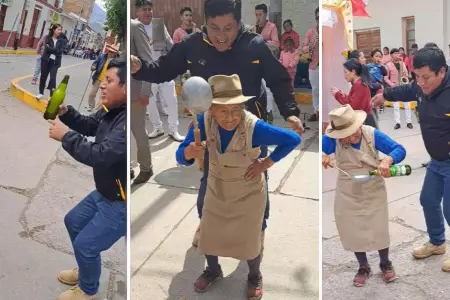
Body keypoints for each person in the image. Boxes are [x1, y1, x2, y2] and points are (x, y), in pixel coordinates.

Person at [131, 0, 303, 256]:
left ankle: (259, 227)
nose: (222, 36)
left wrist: (290, 112)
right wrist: (140, 68)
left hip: (249, 125)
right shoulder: (192, 45)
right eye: (214, 28)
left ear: (238, 24)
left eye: (228, 28)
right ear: (204, 24)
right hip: (211, 126)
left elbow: (278, 80)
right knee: (211, 179)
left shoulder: (254, 45)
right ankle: (207, 223)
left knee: (256, 179)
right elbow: (165, 68)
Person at [176, 74, 301, 298]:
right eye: (223, 110)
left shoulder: (255, 127)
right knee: (209, 235)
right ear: (211, 108)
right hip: (216, 189)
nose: (231, 117)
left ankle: (254, 275)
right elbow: (180, 155)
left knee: (249, 239)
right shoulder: (204, 122)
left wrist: (266, 163)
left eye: (236, 109)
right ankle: (213, 270)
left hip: (248, 193)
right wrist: (188, 152)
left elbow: (292, 139)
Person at [47, 58, 127, 300]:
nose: (102, 85)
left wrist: (66, 136)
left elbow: (100, 156)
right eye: (103, 80)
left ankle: (88, 289)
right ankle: (86, 271)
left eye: (109, 81)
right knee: (73, 221)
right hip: (105, 192)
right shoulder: (110, 110)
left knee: (86, 245)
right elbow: (90, 124)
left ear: (125, 88)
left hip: (121, 201)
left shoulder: (125, 121)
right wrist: (66, 113)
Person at [372, 46, 450, 272]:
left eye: (426, 78)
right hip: (437, 160)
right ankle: (437, 243)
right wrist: (383, 96)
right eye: (418, 77)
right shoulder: (420, 87)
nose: (421, 83)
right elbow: (406, 90)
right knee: (428, 200)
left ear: (442, 72)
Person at [322, 104, 406, 287]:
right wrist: (323, 155)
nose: (352, 137)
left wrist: (387, 159)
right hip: (347, 189)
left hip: (372, 186)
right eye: (346, 135)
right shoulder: (332, 138)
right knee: (352, 230)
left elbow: (399, 149)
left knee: (379, 228)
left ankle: (385, 263)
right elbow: (322, 149)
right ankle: (363, 266)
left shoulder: (371, 134)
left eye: (354, 132)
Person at [136, 0, 184, 142]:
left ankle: (174, 130)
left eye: (150, 9)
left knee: (172, 99)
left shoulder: (158, 25)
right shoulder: (134, 27)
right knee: (149, 102)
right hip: (146, 73)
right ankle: (157, 128)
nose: (148, 12)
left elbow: (170, 45)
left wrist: (177, 60)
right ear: (137, 11)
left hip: (163, 69)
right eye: (144, 9)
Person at [130, 17, 154, 184]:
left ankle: (146, 168)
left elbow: (147, 61)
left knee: (138, 131)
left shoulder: (135, 27)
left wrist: (145, 91)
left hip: (136, 92)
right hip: (123, 89)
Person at [331, 59, 378, 128]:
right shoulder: (359, 83)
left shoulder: (359, 85)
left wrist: (338, 95)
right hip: (363, 118)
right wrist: (342, 95)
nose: (344, 75)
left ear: (353, 71)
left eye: (345, 72)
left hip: (364, 120)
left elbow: (353, 106)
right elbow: (354, 101)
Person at [253, 3, 280, 123]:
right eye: (256, 14)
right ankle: (258, 111)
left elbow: (276, 44)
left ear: (265, 14)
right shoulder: (254, 28)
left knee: (268, 88)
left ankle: (269, 112)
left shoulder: (272, 27)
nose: (258, 17)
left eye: (260, 14)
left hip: (268, 62)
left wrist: (262, 41)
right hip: (255, 63)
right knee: (256, 87)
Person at [384, 48, 413, 129]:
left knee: (407, 105)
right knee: (396, 106)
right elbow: (386, 78)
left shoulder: (402, 63)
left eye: (398, 53)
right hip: (395, 86)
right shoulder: (388, 65)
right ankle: (398, 123)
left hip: (404, 86)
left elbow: (406, 73)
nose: (398, 54)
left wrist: (405, 74)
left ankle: (409, 122)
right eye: (396, 53)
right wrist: (392, 85)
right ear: (391, 55)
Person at [87, 44, 119, 111]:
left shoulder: (117, 61)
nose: (110, 53)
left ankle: (97, 111)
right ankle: (91, 105)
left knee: (102, 97)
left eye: (112, 52)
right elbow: (95, 63)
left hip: (107, 81)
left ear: (115, 53)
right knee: (91, 94)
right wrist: (93, 66)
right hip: (98, 78)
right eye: (110, 51)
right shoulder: (102, 56)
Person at [37, 23, 65, 100]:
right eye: (58, 29)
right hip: (45, 60)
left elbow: (60, 51)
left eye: (60, 30)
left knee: (53, 78)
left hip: (55, 62)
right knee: (43, 77)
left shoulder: (61, 41)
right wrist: (55, 50)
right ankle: (40, 93)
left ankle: (51, 95)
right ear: (53, 30)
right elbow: (47, 48)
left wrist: (52, 49)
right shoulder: (47, 38)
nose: (60, 31)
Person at [303, 7, 319, 122]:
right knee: (315, 89)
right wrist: (311, 44)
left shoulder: (327, 31)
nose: (319, 19)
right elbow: (303, 48)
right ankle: (316, 111)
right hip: (313, 65)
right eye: (317, 17)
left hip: (325, 65)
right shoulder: (310, 32)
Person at [367, 49, 388, 117]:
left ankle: (380, 107)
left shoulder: (381, 66)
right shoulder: (368, 66)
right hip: (371, 85)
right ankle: (373, 115)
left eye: (380, 57)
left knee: (378, 99)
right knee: (371, 103)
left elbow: (385, 73)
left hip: (378, 84)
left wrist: (381, 65)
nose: (378, 58)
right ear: (372, 57)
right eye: (376, 56)